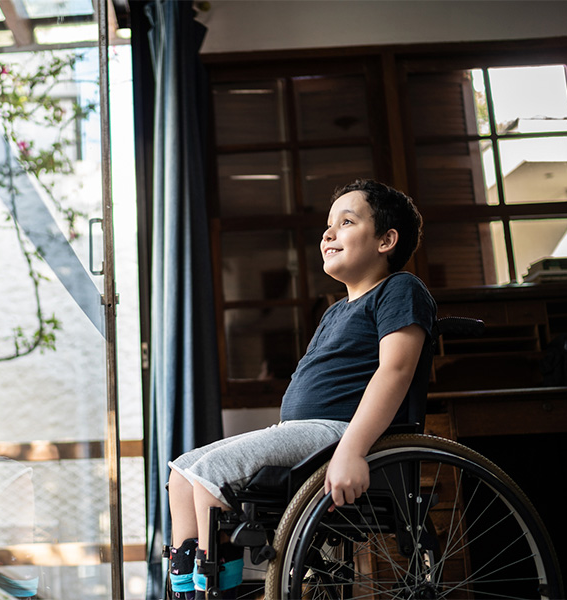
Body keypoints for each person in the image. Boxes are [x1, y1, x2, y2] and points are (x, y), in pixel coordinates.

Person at [164, 179, 435, 598]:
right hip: (302, 431)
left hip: (338, 432)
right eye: (328, 225)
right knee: (183, 471)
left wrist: (352, 449)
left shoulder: (399, 289)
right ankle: (186, 590)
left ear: (386, 239)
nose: (328, 233)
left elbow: (395, 371)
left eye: (346, 222)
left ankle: (216, 592)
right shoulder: (334, 312)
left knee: (211, 476)